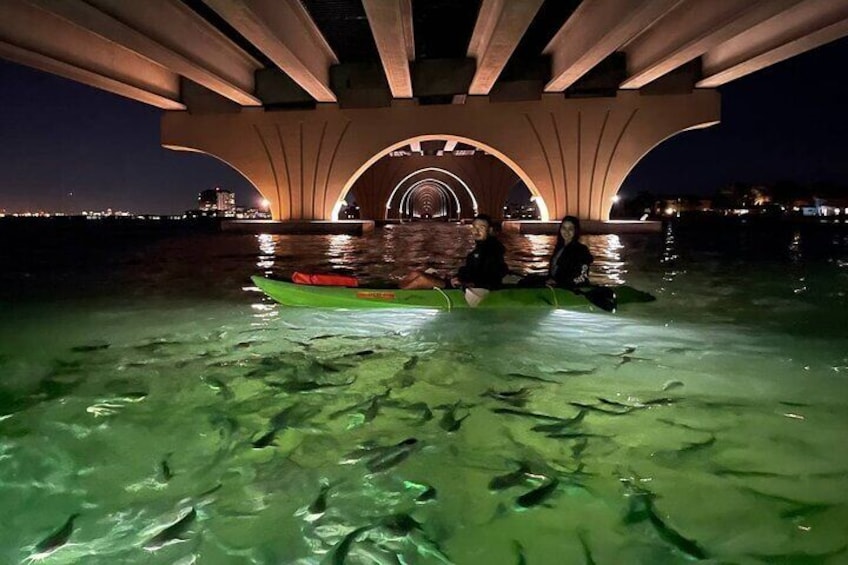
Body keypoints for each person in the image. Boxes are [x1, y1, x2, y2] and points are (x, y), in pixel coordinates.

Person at [399, 214, 508, 291]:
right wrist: (454, 276)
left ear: (490, 230)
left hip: (469, 288)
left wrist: (468, 283)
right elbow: (472, 270)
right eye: (474, 227)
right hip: (459, 282)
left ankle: (397, 297)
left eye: (481, 228)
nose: (476, 231)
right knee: (416, 273)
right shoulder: (478, 249)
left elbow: (494, 274)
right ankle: (394, 290)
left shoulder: (493, 249)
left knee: (421, 280)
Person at [547, 215, 593, 288]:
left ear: (576, 230)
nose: (566, 232)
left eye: (570, 229)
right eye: (564, 228)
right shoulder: (559, 248)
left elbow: (582, 277)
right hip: (554, 286)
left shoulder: (581, 250)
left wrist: (559, 283)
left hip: (571, 289)